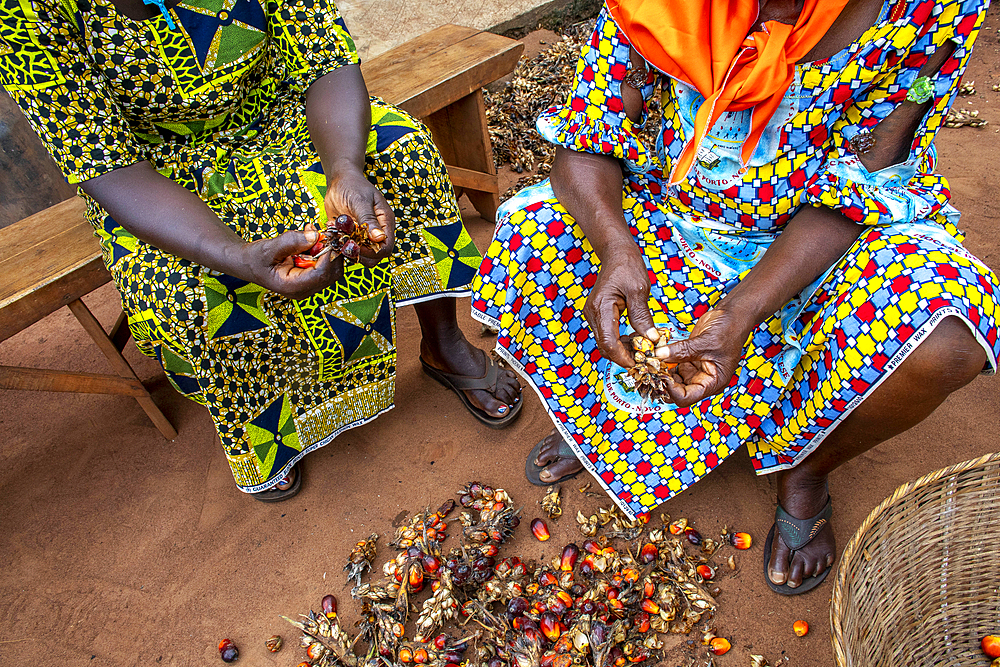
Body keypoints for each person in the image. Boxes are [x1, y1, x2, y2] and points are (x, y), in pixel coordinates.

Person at [471, 0, 998, 594]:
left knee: (946, 338)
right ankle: (611, 436)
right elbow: (587, 136)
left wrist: (739, 312)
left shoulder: (926, 9)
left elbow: (869, 181)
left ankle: (805, 469)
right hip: (683, 206)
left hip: (840, 230)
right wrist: (618, 250)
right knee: (532, 228)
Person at [0, 0, 522, 502]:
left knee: (400, 153)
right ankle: (267, 431)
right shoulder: (26, 11)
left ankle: (442, 341)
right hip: (158, 177)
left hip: (284, 116)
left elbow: (326, 62)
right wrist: (231, 253)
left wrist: (343, 167)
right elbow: (105, 162)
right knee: (185, 287)